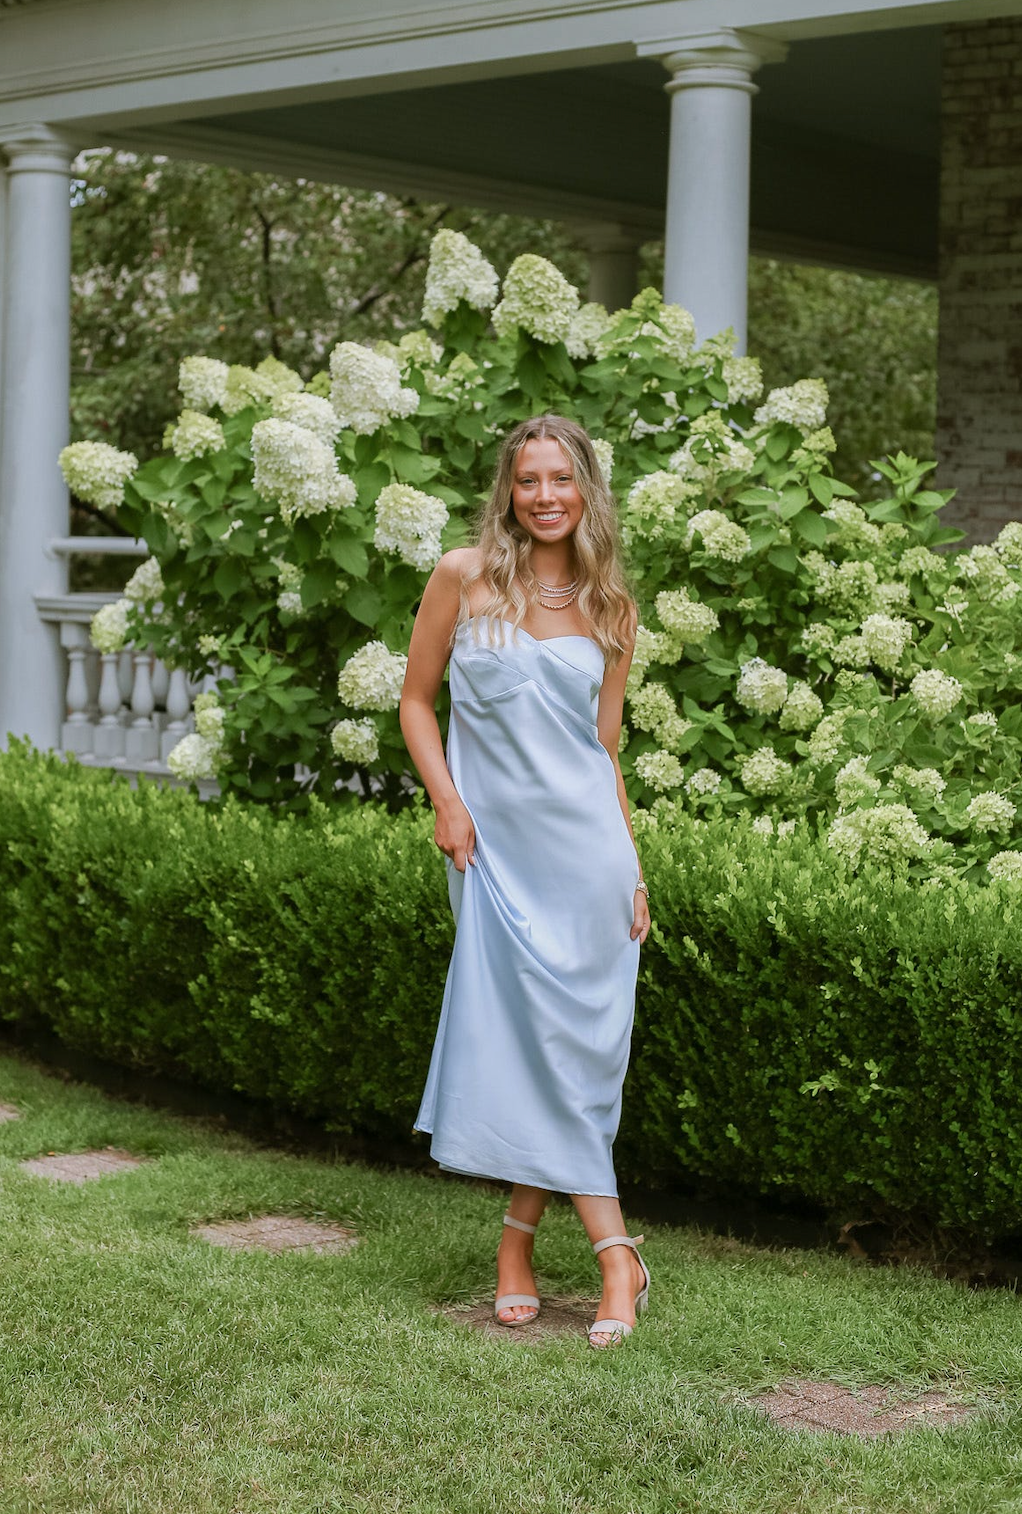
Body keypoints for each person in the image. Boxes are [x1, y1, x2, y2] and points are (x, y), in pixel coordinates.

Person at [398, 414, 652, 1349]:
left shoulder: (613, 608)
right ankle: (614, 1253)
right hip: (494, 855)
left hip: (588, 860)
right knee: (531, 1043)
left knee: (572, 1053)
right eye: (528, 480)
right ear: (507, 490)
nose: (546, 496)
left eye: (562, 479)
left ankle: (523, 1247)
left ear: (587, 488)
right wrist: (447, 803)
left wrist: (633, 871)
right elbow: (415, 701)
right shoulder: (464, 578)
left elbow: (605, 754)